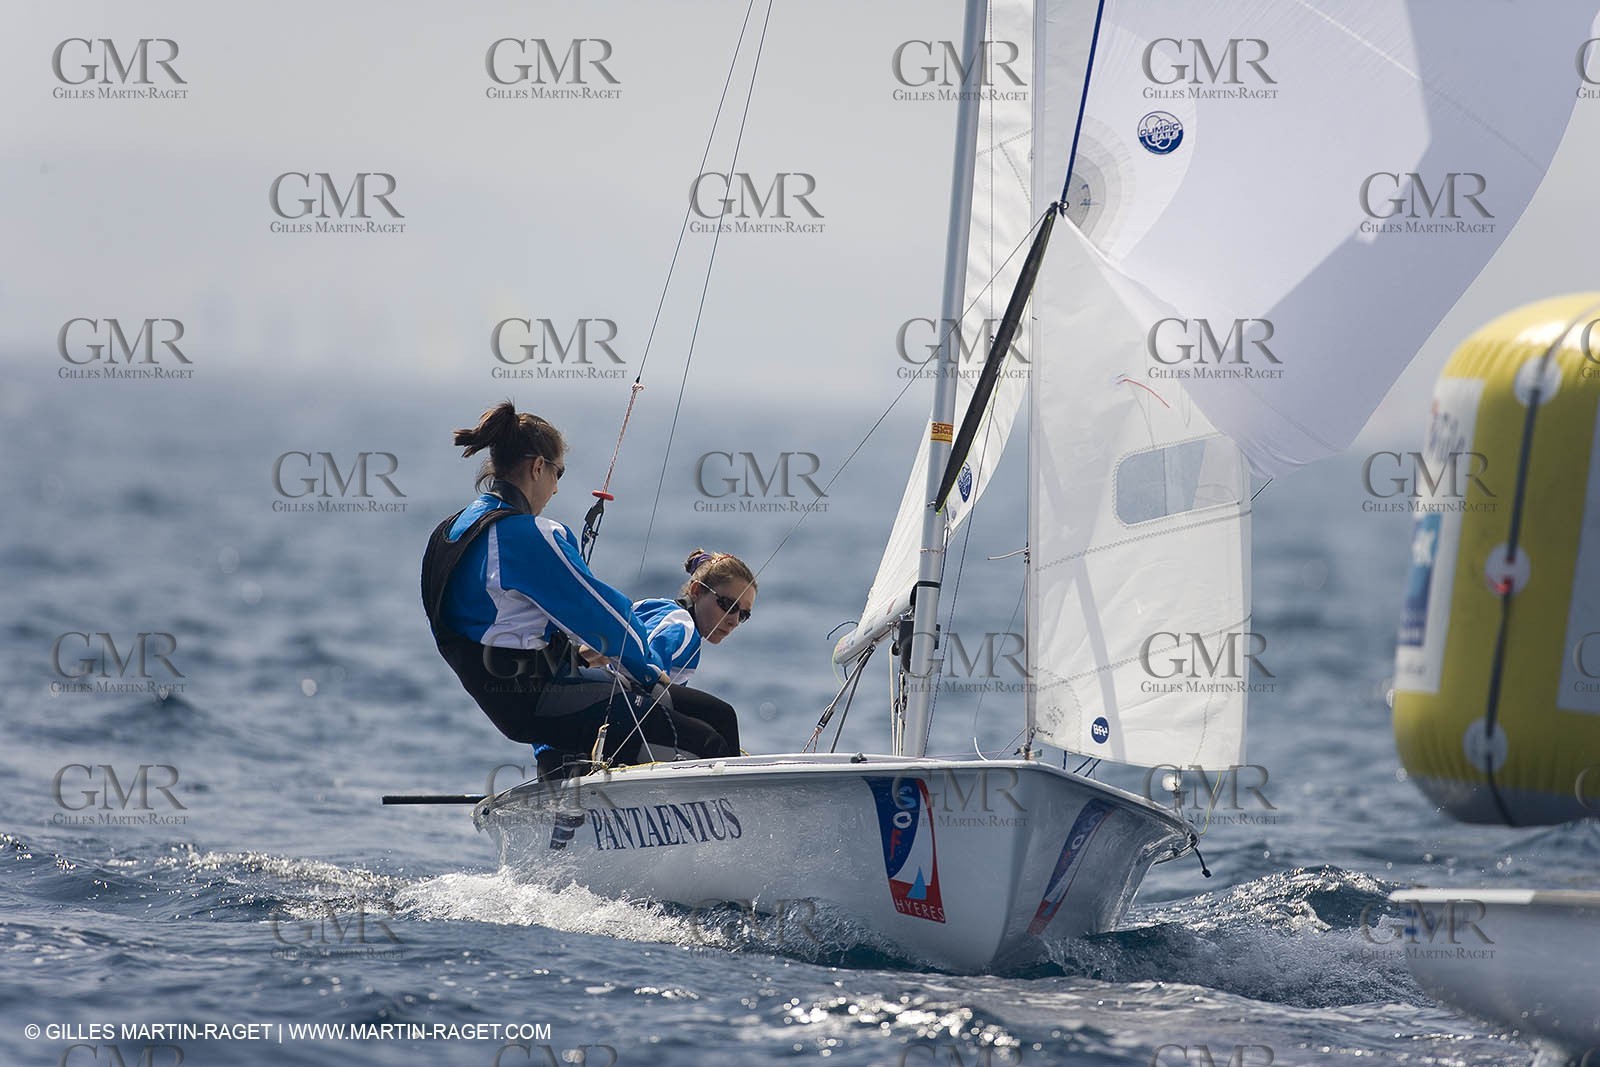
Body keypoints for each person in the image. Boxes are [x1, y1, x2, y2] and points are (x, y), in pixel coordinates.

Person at [420, 402, 737, 777]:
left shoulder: (450, 531)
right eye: (559, 473)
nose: (555, 489)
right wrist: (650, 673)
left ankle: (566, 786)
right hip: (540, 699)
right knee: (710, 731)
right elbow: (606, 617)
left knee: (707, 712)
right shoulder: (525, 537)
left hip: (509, 701)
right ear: (538, 467)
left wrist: (571, 657)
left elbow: (491, 624)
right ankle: (738, 827)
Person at [633, 550, 756, 754]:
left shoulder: (655, 607)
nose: (734, 620)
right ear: (697, 591)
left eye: (743, 615)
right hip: (619, 712)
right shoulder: (682, 625)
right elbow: (645, 668)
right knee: (721, 720)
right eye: (728, 605)